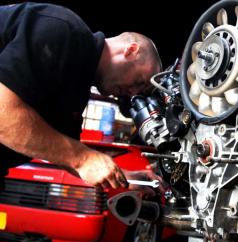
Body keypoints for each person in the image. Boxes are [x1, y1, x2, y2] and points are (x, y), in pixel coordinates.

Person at [0, 2, 163, 190]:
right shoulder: (63, 31)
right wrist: (83, 158)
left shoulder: (76, 90)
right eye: (139, 82)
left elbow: (61, 150)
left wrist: (127, 178)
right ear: (131, 51)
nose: (134, 93)